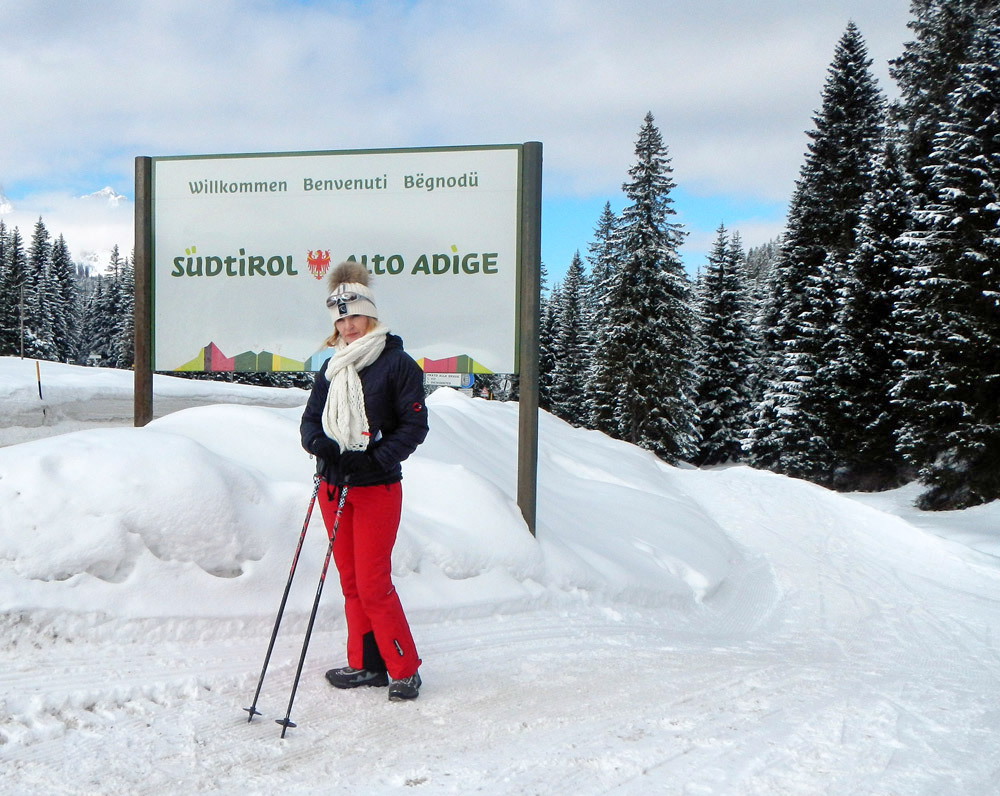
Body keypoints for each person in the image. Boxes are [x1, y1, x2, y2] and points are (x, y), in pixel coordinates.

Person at [299, 261, 429, 701]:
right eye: (340, 319)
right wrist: (321, 444)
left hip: (375, 488)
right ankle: (366, 664)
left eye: (354, 316)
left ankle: (403, 667)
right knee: (351, 582)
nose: (348, 326)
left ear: (370, 315)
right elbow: (310, 423)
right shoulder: (332, 367)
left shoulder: (397, 365)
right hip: (335, 487)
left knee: (374, 583)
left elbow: (414, 428)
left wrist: (373, 460)